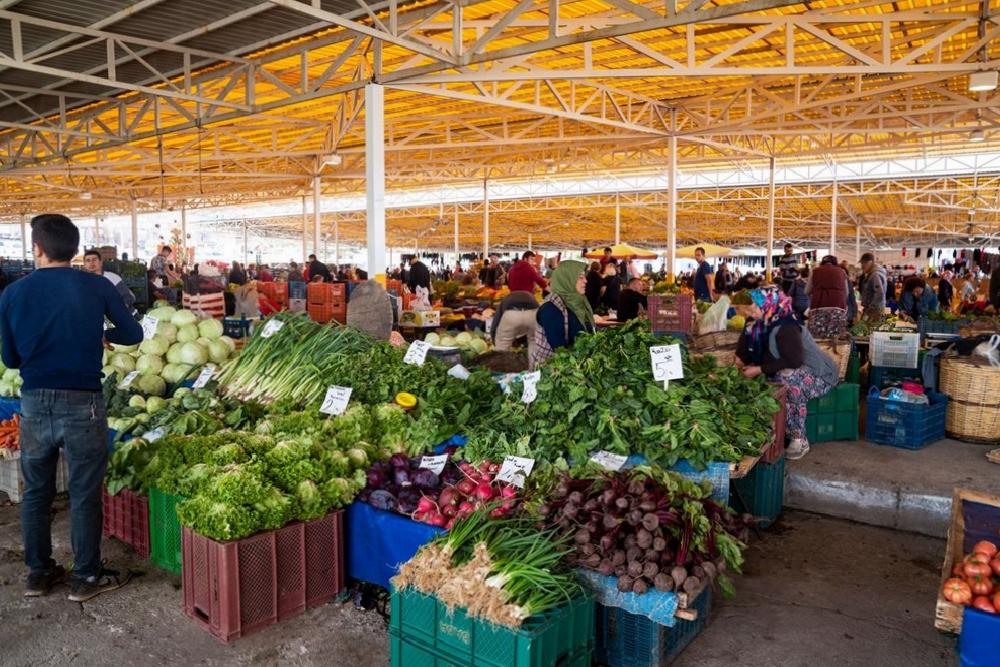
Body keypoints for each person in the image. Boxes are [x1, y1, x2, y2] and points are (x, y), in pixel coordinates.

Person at [0, 214, 143, 601]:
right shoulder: (96, 286)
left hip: (34, 404)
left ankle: (38, 574)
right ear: (76, 250)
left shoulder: (13, 294)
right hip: (84, 405)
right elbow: (134, 333)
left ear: (38, 249)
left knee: (36, 493)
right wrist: (101, 334)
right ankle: (85, 578)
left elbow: (10, 359)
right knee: (83, 493)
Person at [735, 287, 838, 461]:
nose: (751, 311)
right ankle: (781, 432)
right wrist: (736, 366)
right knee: (775, 379)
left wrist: (759, 369)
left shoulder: (787, 326)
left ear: (769, 305)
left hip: (819, 374)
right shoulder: (756, 324)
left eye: (755, 307)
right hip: (786, 370)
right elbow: (743, 353)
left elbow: (794, 361)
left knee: (786, 379)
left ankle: (799, 439)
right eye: (751, 307)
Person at [530, 260, 595, 369]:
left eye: (585, 277)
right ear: (566, 279)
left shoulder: (578, 302)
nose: (586, 281)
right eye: (580, 277)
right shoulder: (551, 309)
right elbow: (560, 352)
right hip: (556, 373)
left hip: (582, 367)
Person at [806, 255, 849, 338]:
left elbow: (806, 291)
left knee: (818, 336)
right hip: (838, 307)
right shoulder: (842, 272)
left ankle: (818, 350)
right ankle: (835, 350)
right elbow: (846, 293)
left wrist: (817, 290)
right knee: (835, 336)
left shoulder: (815, 271)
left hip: (818, 306)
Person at [492, 291, 538, 358]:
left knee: (503, 344)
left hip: (512, 314)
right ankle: (534, 366)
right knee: (534, 341)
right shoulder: (531, 296)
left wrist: (494, 340)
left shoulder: (505, 299)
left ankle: (499, 367)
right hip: (533, 313)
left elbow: (496, 321)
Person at [858, 253, 887, 322]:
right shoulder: (872, 274)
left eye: (863, 263)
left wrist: (871, 308)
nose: (862, 266)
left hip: (874, 311)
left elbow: (879, 294)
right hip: (873, 309)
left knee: (868, 330)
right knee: (864, 329)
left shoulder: (875, 275)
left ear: (870, 262)